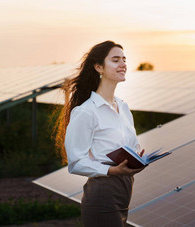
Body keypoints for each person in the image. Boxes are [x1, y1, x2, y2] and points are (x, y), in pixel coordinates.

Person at [55, 40, 145, 226]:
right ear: (99, 67)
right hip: (103, 192)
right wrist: (113, 170)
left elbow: (131, 144)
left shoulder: (123, 107)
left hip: (125, 188)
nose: (123, 64)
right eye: (115, 60)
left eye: (124, 59)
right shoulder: (86, 112)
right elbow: (76, 162)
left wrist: (137, 157)